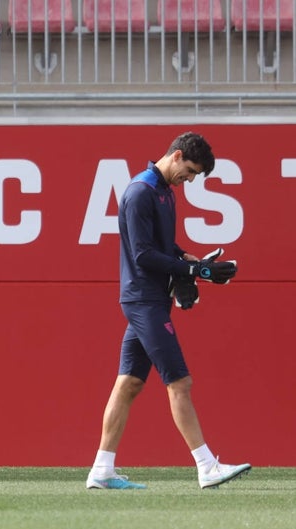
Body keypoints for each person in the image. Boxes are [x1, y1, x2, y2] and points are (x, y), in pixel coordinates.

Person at [86, 132, 250, 490]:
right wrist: (195, 271)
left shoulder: (164, 192)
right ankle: (206, 466)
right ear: (176, 156)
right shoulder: (140, 191)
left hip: (151, 299)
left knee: (128, 384)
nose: (189, 180)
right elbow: (142, 254)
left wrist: (185, 258)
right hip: (143, 300)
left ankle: (101, 470)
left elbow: (162, 245)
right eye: (189, 171)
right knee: (180, 382)